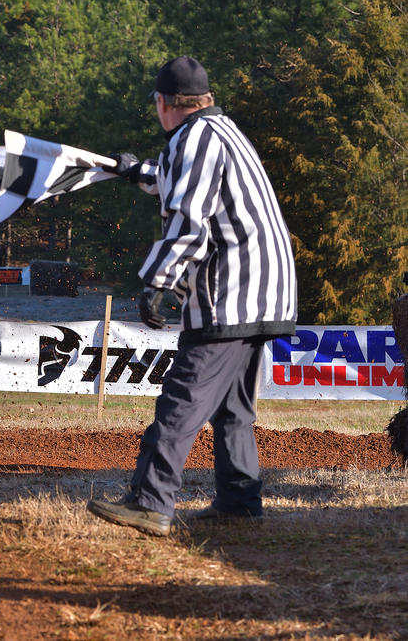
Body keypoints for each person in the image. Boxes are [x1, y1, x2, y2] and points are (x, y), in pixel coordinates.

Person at [86, 56, 297, 536]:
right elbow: (173, 180)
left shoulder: (192, 138)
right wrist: (130, 170)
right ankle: (239, 501)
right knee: (233, 408)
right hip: (268, 291)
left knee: (183, 397)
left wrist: (160, 281)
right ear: (205, 99)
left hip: (232, 293)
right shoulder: (222, 130)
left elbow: (188, 215)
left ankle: (149, 500)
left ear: (162, 103)